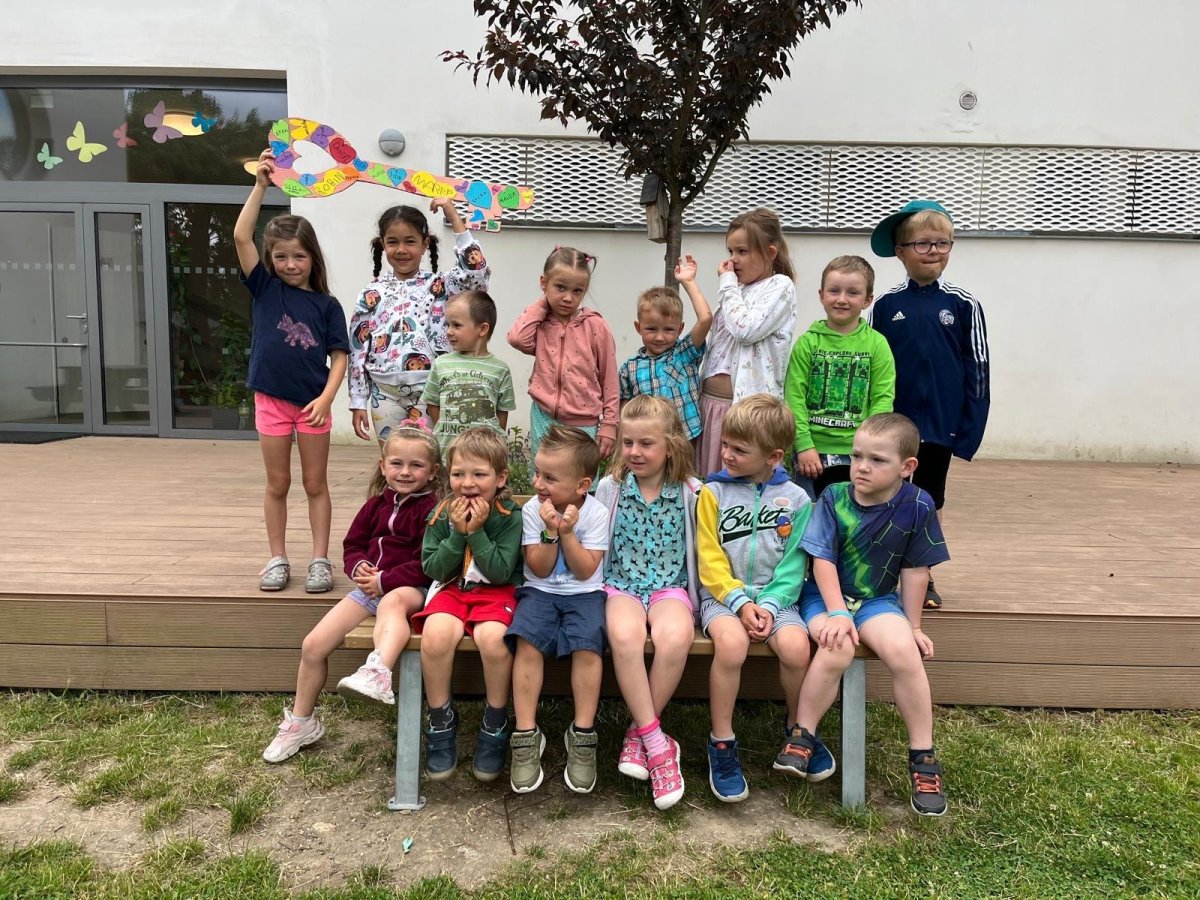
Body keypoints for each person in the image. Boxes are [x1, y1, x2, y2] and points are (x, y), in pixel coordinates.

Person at [785, 413, 950, 817]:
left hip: (877, 600)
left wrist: (913, 625)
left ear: (907, 467)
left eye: (877, 460)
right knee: (836, 645)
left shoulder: (919, 504)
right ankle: (802, 735)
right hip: (824, 598)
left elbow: (915, 569)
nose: (861, 466)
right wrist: (837, 612)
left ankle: (923, 757)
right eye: (857, 456)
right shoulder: (833, 498)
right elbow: (822, 561)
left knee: (904, 653)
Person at [261, 426, 443, 762]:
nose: (405, 472)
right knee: (313, 645)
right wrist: (358, 566)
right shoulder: (375, 506)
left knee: (392, 603)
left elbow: (429, 563)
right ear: (383, 465)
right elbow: (353, 545)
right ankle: (301, 722)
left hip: (411, 589)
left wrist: (386, 580)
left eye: (416, 465)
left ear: (432, 471)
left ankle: (378, 672)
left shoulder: (432, 511)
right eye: (397, 463)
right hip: (368, 590)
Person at [696, 394, 833, 802]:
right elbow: (709, 557)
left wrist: (770, 606)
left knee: (795, 647)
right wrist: (740, 603)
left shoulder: (798, 500)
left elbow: (795, 564)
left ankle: (799, 731)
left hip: (778, 600)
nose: (727, 454)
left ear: (773, 456)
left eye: (739, 450)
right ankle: (722, 740)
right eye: (726, 445)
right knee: (732, 645)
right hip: (723, 597)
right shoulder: (712, 493)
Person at [233, 149, 349, 594]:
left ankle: (320, 560)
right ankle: (277, 558)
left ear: (312, 257)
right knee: (277, 483)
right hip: (271, 402)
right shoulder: (264, 288)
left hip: (313, 405)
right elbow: (241, 236)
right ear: (271, 259)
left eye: (299, 256)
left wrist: (327, 398)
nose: (290, 265)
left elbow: (340, 355)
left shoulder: (327, 305)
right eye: (281, 257)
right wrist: (260, 186)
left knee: (315, 483)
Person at [868, 199, 990, 609]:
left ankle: (924, 574)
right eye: (922, 243)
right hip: (894, 424)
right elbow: (872, 365)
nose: (934, 251)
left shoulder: (963, 304)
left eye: (943, 243)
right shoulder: (886, 306)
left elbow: (978, 369)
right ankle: (882, 571)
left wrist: (969, 430)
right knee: (887, 493)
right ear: (900, 251)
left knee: (930, 499)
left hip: (942, 424)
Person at [595, 396, 702, 810]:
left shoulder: (691, 492)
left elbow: (702, 550)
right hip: (621, 586)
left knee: (675, 637)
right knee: (624, 636)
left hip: (669, 587)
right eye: (628, 443)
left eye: (646, 444)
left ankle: (639, 733)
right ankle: (658, 745)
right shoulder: (611, 488)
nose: (635, 452)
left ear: (670, 447)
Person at [415, 426, 523, 783]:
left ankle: (495, 720)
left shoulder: (509, 515)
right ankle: (441, 718)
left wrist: (476, 532)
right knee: (435, 636)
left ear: (500, 478)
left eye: (479, 474)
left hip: (496, 591)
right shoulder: (442, 513)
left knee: (494, 639)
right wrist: (457, 534)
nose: (468, 483)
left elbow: (500, 571)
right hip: (452, 587)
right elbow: (433, 568)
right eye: (459, 474)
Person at [506, 425, 609, 794]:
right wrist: (551, 533)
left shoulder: (596, 513)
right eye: (537, 473)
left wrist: (567, 533)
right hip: (540, 591)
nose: (538, 483)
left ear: (582, 485)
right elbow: (538, 568)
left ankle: (582, 735)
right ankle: (525, 734)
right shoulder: (533, 510)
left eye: (549, 477)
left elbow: (585, 570)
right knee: (527, 642)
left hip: (585, 593)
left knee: (588, 645)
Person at [348, 201, 490, 445]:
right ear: (383, 244)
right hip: (384, 394)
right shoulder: (371, 293)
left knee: (434, 459)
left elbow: (476, 275)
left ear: (425, 244)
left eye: (410, 241)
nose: (401, 249)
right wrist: (358, 399)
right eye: (393, 242)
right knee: (394, 461)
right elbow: (357, 347)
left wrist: (454, 217)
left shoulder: (441, 286)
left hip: (432, 392)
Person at [695, 208, 798, 477]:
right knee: (711, 486)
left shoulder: (780, 287)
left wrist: (727, 284)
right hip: (712, 407)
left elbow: (746, 330)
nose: (732, 260)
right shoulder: (736, 290)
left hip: (748, 412)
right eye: (730, 251)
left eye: (742, 251)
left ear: (770, 253)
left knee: (745, 483)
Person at [784, 255, 895, 499]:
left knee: (854, 515)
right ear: (821, 295)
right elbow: (794, 397)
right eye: (834, 291)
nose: (842, 299)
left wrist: (869, 448)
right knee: (809, 516)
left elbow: (882, 399)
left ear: (867, 299)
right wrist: (804, 444)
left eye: (852, 293)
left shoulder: (877, 345)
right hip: (811, 452)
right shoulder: (807, 343)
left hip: (858, 454)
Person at [507, 247, 618, 459]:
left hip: (583, 423)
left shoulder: (596, 326)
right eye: (560, 287)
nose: (568, 298)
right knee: (543, 473)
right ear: (544, 283)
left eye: (577, 291)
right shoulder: (541, 323)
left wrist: (609, 425)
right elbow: (517, 338)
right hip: (543, 418)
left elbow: (610, 379)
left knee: (580, 476)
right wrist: (543, 303)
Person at [618, 254, 713, 444]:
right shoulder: (629, 368)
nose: (660, 337)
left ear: (680, 329)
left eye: (668, 330)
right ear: (638, 327)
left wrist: (688, 282)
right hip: (648, 443)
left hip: (685, 440)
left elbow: (705, 319)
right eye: (651, 329)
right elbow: (624, 409)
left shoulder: (684, 353)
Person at [419, 289, 516, 456]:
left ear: (482, 329)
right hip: (448, 450)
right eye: (447, 325)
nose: (449, 331)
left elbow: (502, 411)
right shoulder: (441, 364)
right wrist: (444, 430)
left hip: (485, 452)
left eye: (457, 325)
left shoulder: (500, 369)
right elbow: (433, 402)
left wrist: (495, 442)